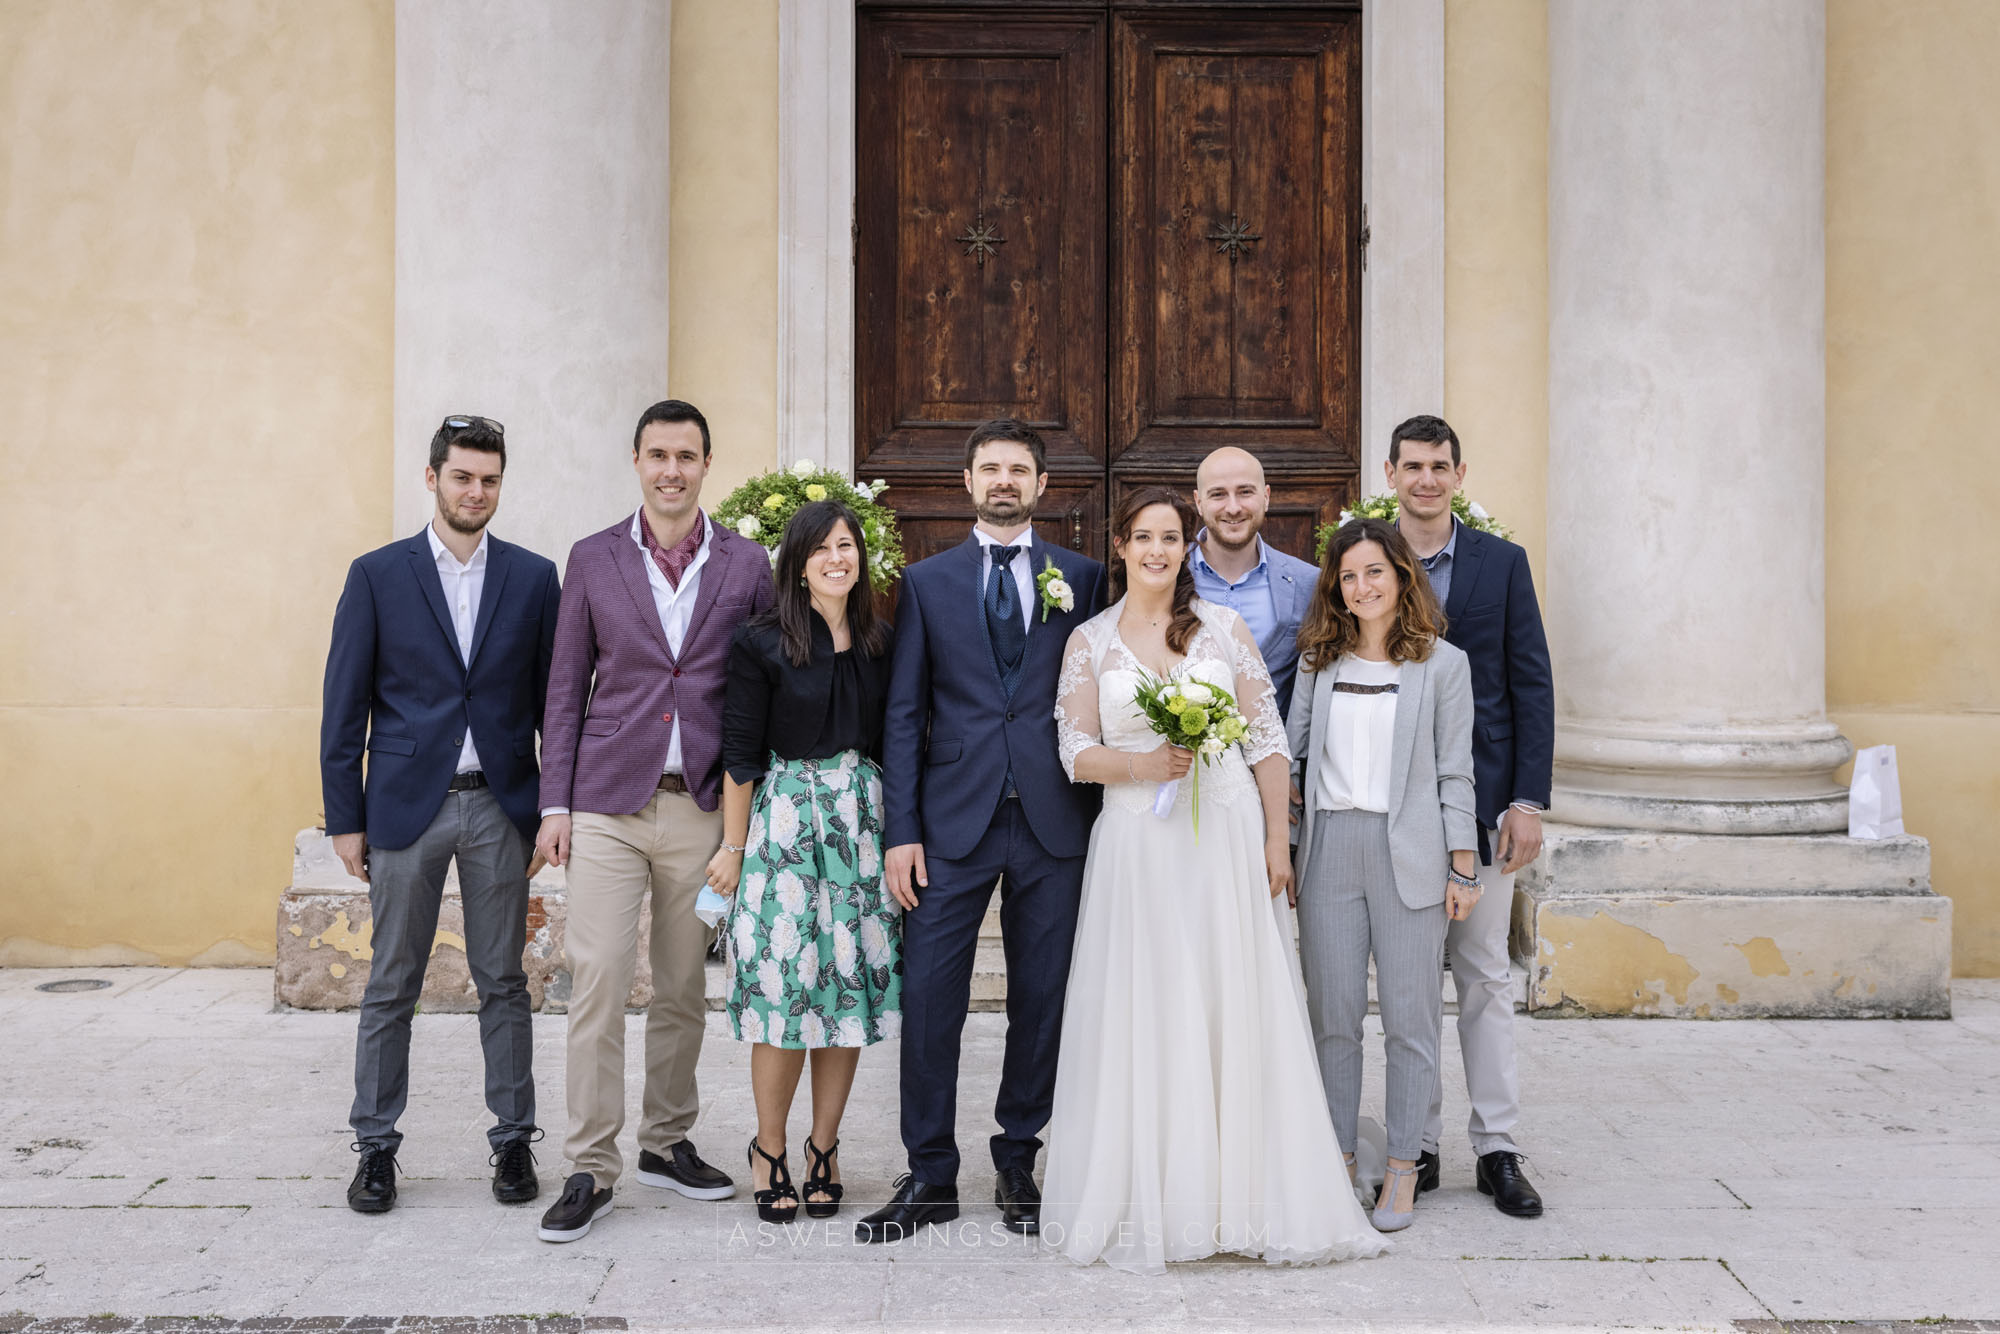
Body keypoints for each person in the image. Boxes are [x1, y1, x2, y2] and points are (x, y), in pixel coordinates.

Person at [1040, 488, 1388, 1275]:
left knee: (1236, 1000)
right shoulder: (1090, 642)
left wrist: (1276, 841)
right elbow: (1075, 751)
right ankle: (1157, 1192)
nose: (1158, 551)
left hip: (1225, 836)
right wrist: (1143, 765)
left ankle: (1248, 1194)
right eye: (1144, 538)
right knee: (1150, 1003)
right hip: (1138, 841)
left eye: (1171, 537)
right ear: (1121, 546)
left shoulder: (1225, 632)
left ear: (1184, 547)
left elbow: (1267, 742)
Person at [856, 419, 1106, 1243]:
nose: (1005, 482)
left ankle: (1016, 1158)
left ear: (1042, 486)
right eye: (991, 469)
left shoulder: (1084, 577)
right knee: (930, 999)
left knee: (1042, 999)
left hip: (1054, 820)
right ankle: (930, 1173)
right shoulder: (927, 583)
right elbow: (903, 714)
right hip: (949, 823)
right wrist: (901, 832)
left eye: (1020, 470)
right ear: (967, 482)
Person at [531, 399, 774, 1243]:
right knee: (596, 979)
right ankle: (590, 1165)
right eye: (658, 454)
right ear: (636, 460)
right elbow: (566, 686)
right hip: (606, 802)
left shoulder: (747, 564)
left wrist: (752, 819)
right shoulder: (593, 559)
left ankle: (666, 1142)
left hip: (702, 806)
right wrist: (554, 804)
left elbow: (764, 688)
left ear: (708, 464)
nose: (672, 469)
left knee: (682, 988)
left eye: (687, 455)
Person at [321, 414, 561, 1214]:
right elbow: (343, 705)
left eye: (489, 479)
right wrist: (342, 818)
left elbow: (555, 708)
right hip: (403, 809)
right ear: (433, 479)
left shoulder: (533, 579)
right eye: (462, 476)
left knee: (503, 980)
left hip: (499, 805)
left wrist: (551, 805)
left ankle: (514, 1143)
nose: (476, 491)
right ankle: (376, 1149)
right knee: (393, 982)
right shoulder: (377, 575)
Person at [1288, 517, 1481, 1232]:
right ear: (1335, 589)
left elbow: (1457, 773)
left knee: (1411, 1023)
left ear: (1402, 575)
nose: (1362, 587)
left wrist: (1463, 868)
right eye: (1348, 576)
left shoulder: (1443, 665)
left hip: (1413, 855)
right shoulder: (1318, 660)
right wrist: (1282, 846)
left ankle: (1403, 1166)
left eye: (1375, 571)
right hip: (1331, 850)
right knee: (1333, 1020)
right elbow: (1293, 761)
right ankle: (1338, 1161)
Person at [712, 500, 900, 1223]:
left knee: (844, 997)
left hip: (860, 825)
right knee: (782, 996)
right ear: (796, 561)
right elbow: (739, 754)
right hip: (784, 825)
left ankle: (824, 1147)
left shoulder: (881, 639)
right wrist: (733, 850)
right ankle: (769, 1148)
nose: (836, 559)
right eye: (820, 548)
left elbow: (896, 737)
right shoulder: (760, 642)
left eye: (847, 546)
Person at [1387, 414, 1551, 1219]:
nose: (1426, 479)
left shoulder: (1502, 564)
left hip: (1481, 808)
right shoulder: (1360, 556)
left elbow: (1531, 685)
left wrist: (1525, 801)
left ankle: (1498, 1149)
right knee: (1410, 985)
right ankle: (1413, 1144)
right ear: (1391, 474)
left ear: (1459, 473)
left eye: (1439, 466)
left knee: (1484, 976)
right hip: (1386, 811)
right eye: (1412, 465)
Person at [1188, 446, 1320, 718]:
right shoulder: (1169, 575)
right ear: (1199, 502)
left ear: (1266, 497)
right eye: (1218, 494)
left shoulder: (1308, 582)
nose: (1233, 507)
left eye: (1245, 492)